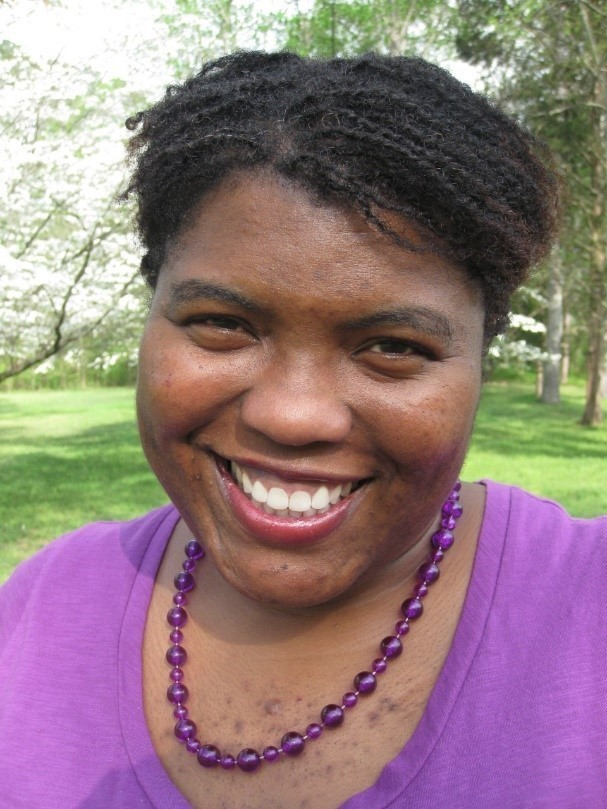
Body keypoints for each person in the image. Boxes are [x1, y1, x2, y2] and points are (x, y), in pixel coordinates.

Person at [0, 51, 605, 809]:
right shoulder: (42, 605)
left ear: (480, 361)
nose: (292, 414)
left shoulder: (587, 609)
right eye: (221, 324)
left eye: (392, 347)